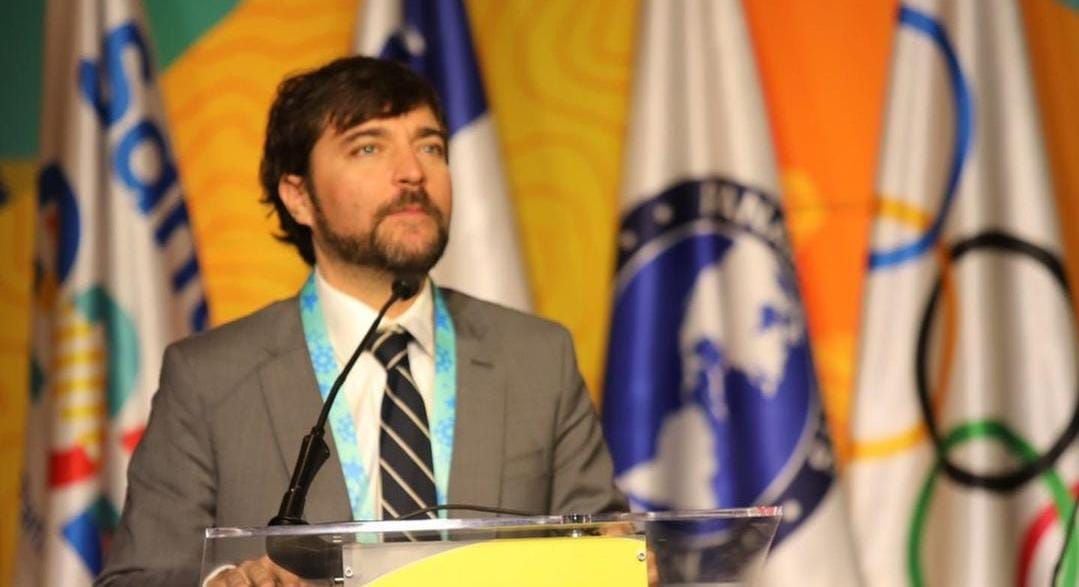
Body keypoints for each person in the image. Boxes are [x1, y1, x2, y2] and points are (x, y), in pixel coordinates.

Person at [96, 56, 624, 586]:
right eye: (368, 148)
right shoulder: (207, 377)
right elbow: (136, 579)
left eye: (430, 147)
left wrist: (623, 563)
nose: (413, 172)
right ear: (299, 197)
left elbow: (611, 553)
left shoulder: (538, 358)